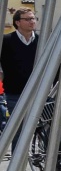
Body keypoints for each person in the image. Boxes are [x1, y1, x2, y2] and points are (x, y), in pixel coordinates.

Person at [1, 8, 39, 150]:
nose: (32, 21)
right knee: (18, 131)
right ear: (17, 22)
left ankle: (58, 160)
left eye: (33, 18)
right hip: (16, 94)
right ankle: (17, 164)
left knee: (52, 125)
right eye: (27, 19)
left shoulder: (42, 41)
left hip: (39, 92)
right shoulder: (6, 41)